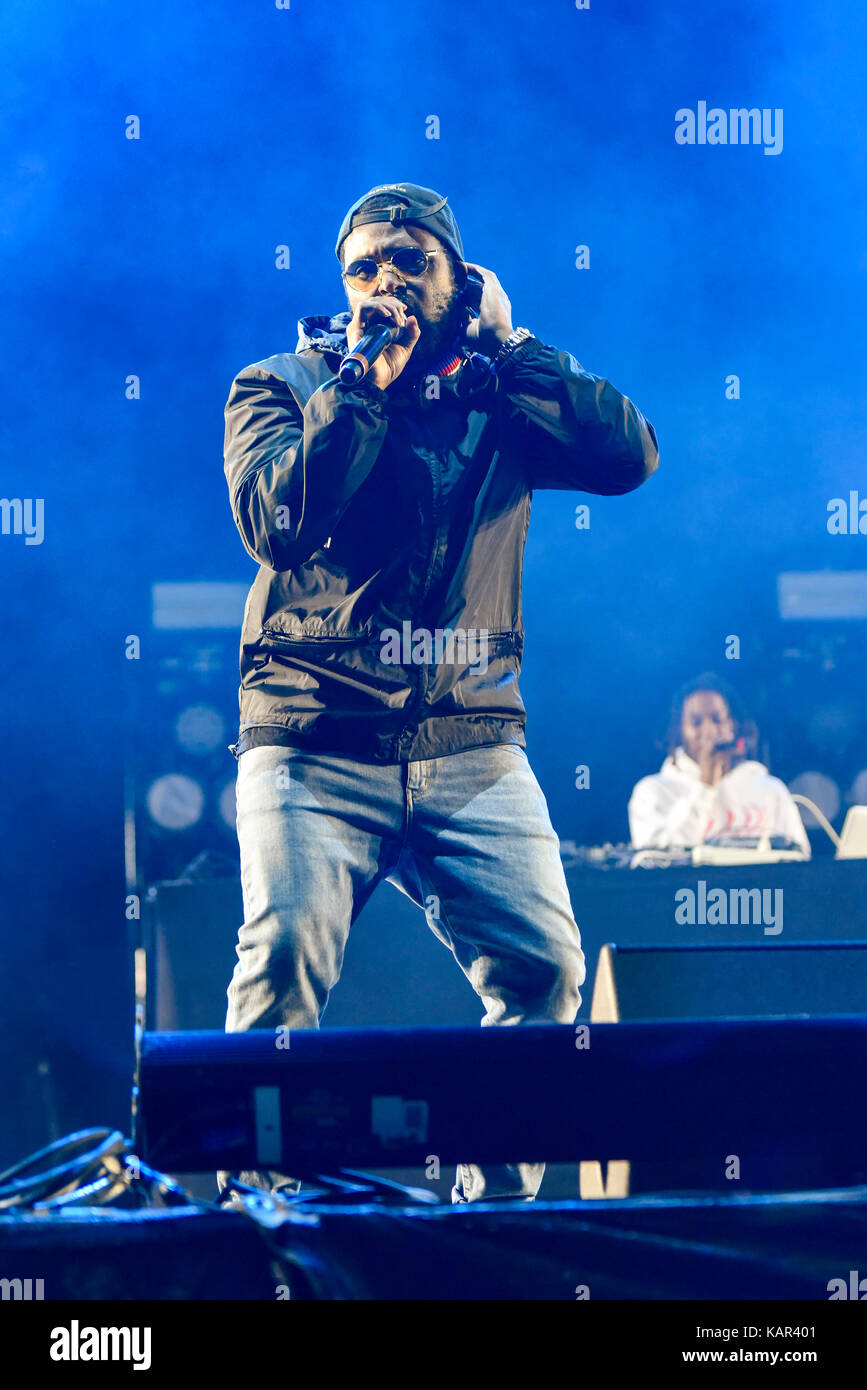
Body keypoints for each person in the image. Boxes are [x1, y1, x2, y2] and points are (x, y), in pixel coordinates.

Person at [220, 182, 660, 1203]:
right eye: (365, 267)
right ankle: (265, 1214)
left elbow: (628, 455)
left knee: (548, 971)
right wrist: (361, 389)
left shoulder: (501, 395)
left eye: (409, 262)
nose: (385, 282)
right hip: (312, 732)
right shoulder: (282, 385)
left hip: (469, 740)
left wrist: (514, 351)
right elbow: (278, 524)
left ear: (459, 279)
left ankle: (490, 1211)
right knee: (282, 955)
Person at [628, 673, 810, 855]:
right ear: (680, 730)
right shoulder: (654, 792)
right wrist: (705, 784)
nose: (708, 731)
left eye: (717, 719)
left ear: (733, 724)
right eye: (696, 722)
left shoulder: (769, 790)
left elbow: (799, 858)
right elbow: (658, 860)